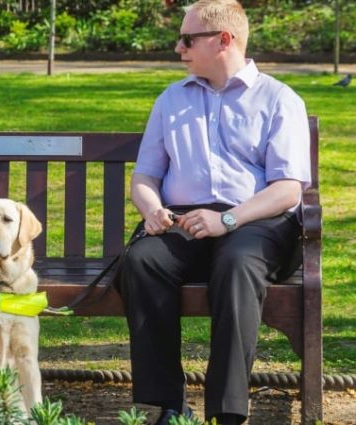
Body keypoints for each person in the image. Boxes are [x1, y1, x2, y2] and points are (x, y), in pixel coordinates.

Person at [118, 1, 311, 424]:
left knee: (238, 264)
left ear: (225, 40)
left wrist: (227, 219)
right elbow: (145, 177)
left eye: (188, 39)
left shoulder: (279, 99)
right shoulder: (172, 99)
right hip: (183, 220)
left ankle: (226, 412)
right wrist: (152, 210)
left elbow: (288, 188)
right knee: (142, 262)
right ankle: (170, 404)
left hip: (257, 220)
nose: (178, 48)